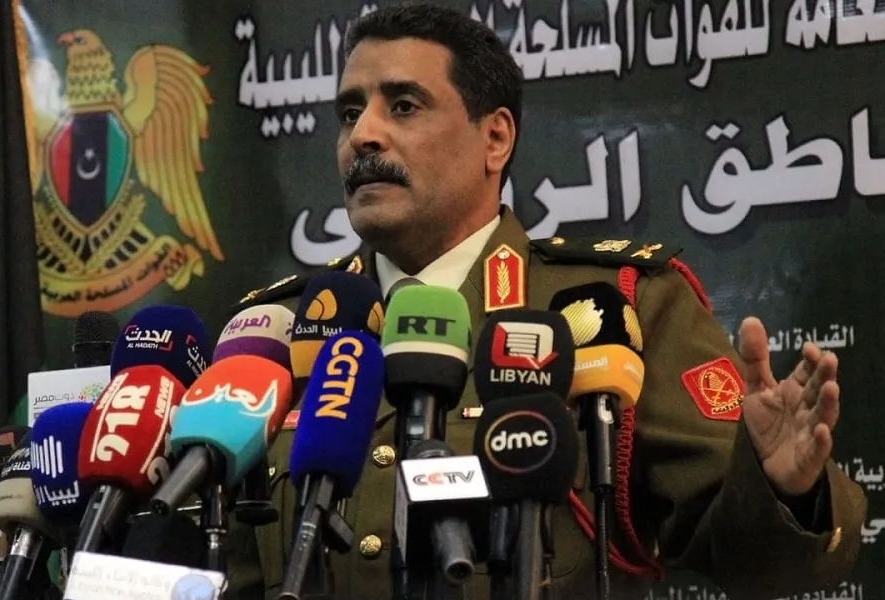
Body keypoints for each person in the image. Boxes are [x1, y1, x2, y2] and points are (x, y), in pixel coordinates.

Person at [220, 3, 867, 599]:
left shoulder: (614, 308)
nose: (363, 134)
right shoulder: (282, 329)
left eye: (404, 106)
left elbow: (755, 563)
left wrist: (782, 487)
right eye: (349, 113)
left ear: (495, 139)